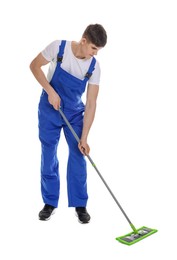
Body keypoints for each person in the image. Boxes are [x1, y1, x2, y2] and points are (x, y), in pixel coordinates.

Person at [30, 24, 107, 223]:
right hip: (50, 108)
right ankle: (49, 202)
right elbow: (34, 66)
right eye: (93, 48)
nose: (95, 54)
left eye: (98, 51)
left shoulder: (94, 66)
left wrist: (84, 137)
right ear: (84, 41)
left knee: (78, 155)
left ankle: (80, 204)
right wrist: (50, 91)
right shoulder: (58, 47)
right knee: (48, 154)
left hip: (73, 113)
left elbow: (91, 103)